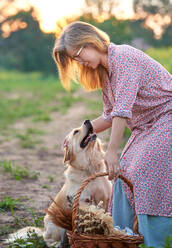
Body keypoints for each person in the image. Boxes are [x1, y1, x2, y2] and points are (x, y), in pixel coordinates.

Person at [52, 21, 172, 248]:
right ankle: (120, 236)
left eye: (78, 54)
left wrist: (113, 152)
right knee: (120, 173)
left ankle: (158, 241)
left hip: (167, 116)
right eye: (74, 60)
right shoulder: (105, 74)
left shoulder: (124, 58)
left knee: (144, 171)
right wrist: (76, 136)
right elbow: (109, 116)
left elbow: (122, 111)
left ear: (91, 42)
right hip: (146, 126)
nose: (79, 62)